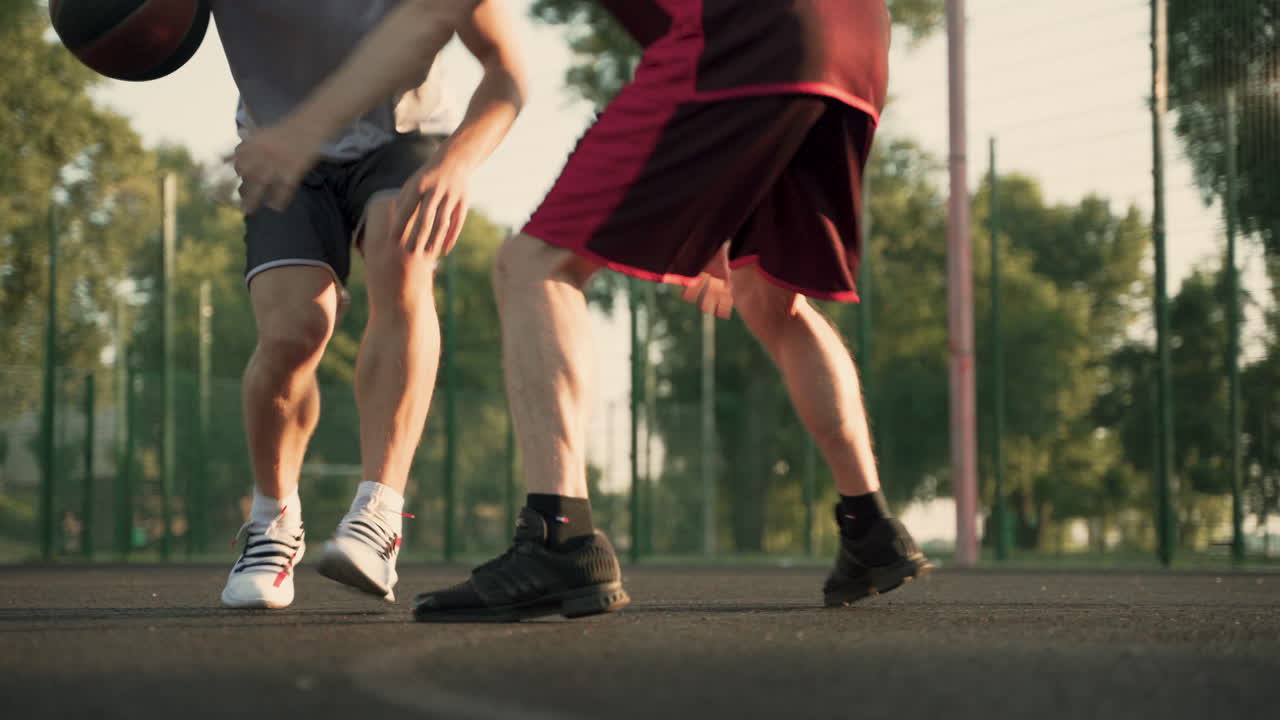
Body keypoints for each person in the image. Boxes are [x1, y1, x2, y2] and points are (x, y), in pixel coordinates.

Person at [213, 0, 526, 609]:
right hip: (282, 148)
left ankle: (379, 511)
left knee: (401, 254)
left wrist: (458, 162)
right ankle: (273, 519)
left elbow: (506, 68)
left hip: (402, 140)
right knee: (294, 331)